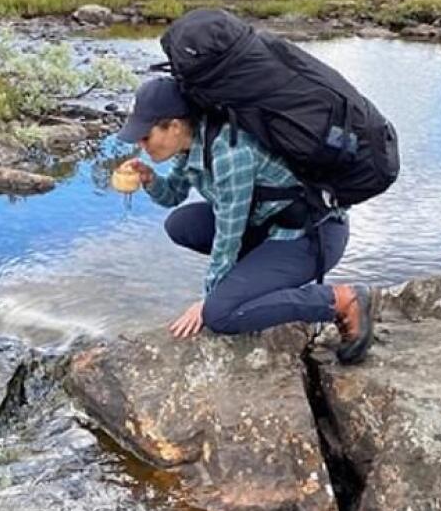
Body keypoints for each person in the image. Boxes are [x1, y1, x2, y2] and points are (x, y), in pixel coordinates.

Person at [117, 75, 375, 364]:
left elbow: (228, 235)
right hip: (269, 225)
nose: (141, 144)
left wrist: (209, 300)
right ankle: (252, 280)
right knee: (180, 225)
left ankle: (341, 300)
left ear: (174, 126)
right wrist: (150, 180)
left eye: (145, 136)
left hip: (311, 235)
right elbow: (173, 195)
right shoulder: (191, 144)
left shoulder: (229, 151)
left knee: (220, 314)